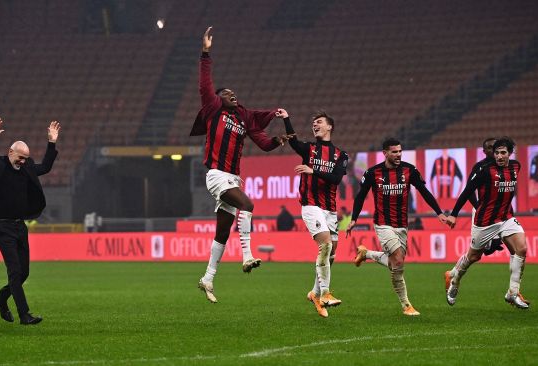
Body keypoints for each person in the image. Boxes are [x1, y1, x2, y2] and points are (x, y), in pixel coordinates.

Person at [191, 27, 289, 303]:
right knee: (248, 205)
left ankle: (207, 279)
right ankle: (246, 255)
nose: (232, 95)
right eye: (227, 93)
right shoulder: (214, 111)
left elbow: (263, 143)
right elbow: (204, 85)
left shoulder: (243, 119)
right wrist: (206, 53)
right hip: (217, 174)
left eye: (234, 93)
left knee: (222, 231)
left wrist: (278, 140)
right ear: (218, 99)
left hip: (233, 177)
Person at [0, 118, 60, 325]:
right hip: (2, 226)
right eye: (20, 157)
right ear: (10, 152)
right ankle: (24, 314)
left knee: (24, 272)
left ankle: (1, 299)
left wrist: (52, 142)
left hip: (20, 226)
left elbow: (45, 167)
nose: (23, 161)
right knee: (15, 271)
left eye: (26, 159)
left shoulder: (26, 168)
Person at [349, 138, 447, 316]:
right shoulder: (373, 173)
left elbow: (424, 191)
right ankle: (406, 305)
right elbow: (360, 196)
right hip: (383, 223)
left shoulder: (409, 170)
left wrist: (438, 212)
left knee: (396, 262)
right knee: (398, 261)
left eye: (400, 151)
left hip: (402, 225)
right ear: (385, 153)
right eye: (394, 152)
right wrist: (354, 218)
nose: (398, 155)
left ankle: (367, 254)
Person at [444, 137, 530, 309]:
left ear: (510, 153)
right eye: (496, 152)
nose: (499, 156)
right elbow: (467, 190)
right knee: (473, 257)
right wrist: (454, 214)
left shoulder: (516, 166)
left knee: (521, 249)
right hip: (485, 222)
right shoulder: (484, 170)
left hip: (506, 218)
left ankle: (513, 293)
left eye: (502, 153)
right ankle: (454, 279)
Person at [278, 108, 348, 318]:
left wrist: (313, 170)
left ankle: (315, 293)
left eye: (319, 122)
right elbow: (293, 142)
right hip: (311, 205)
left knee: (332, 252)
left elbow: (336, 179)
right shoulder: (309, 149)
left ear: (329, 127)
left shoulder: (340, 155)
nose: (315, 125)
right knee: (325, 245)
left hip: (330, 208)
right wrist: (287, 119)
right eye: (313, 123)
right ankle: (325, 293)